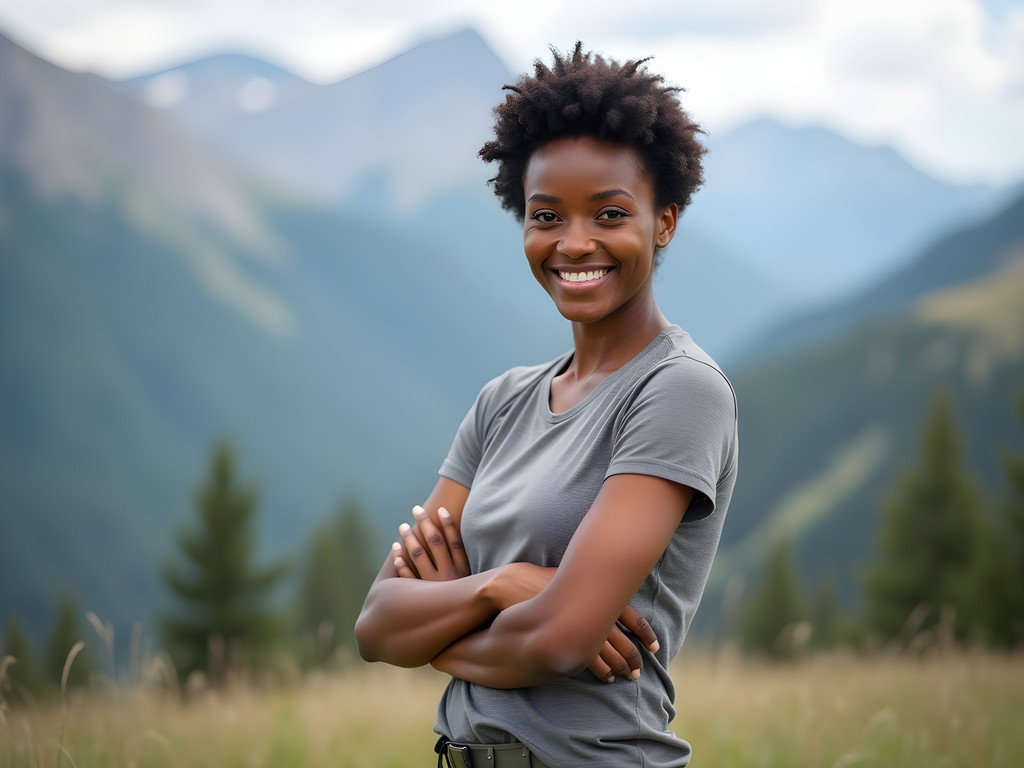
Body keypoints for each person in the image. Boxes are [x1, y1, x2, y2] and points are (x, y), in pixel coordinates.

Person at [355, 42, 738, 768]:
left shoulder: (680, 390)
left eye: (610, 213)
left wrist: (442, 628)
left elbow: (560, 640)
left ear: (665, 222)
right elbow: (376, 626)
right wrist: (502, 584)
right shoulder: (502, 403)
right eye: (546, 215)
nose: (575, 242)